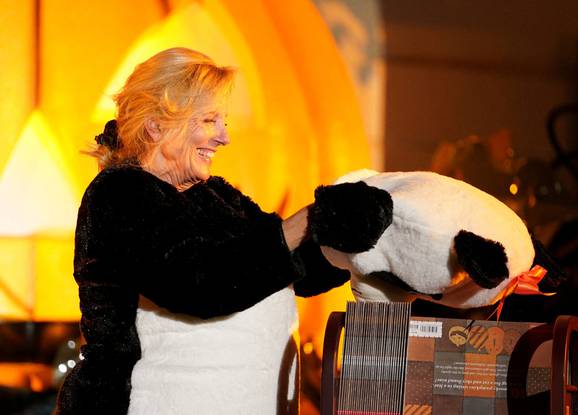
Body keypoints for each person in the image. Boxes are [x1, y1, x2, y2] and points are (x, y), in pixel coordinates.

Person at [54, 47, 390, 414]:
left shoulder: (215, 194)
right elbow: (200, 282)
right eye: (210, 120)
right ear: (157, 126)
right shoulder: (118, 194)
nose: (224, 137)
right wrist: (311, 218)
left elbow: (291, 268)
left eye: (223, 121)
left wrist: (349, 242)